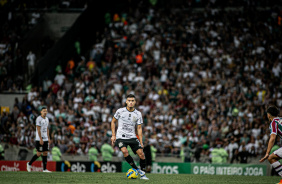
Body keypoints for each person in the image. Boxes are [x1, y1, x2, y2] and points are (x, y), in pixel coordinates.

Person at [111, 94, 149, 180]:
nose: (131, 102)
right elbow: (113, 122)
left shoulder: (138, 113)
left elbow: (139, 128)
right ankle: (136, 169)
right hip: (121, 136)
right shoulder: (120, 111)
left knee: (142, 154)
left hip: (132, 136)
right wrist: (113, 135)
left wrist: (141, 142)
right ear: (126, 101)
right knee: (125, 151)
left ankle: (143, 173)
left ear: (135, 102)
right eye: (129, 100)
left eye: (132, 101)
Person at [259, 106, 281, 181]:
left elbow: (272, 138)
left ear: (268, 115)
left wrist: (267, 153)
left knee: (271, 158)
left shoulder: (274, 123)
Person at [27, 106, 51, 172]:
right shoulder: (38, 119)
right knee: (39, 153)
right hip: (39, 138)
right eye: (43, 111)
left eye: (46, 111)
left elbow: (47, 129)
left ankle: (44, 169)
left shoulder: (47, 119)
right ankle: (29, 164)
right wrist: (40, 139)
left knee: (45, 153)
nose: (45, 112)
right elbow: (38, 129)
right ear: (41, 112)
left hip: (46, 138)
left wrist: (48, 138)